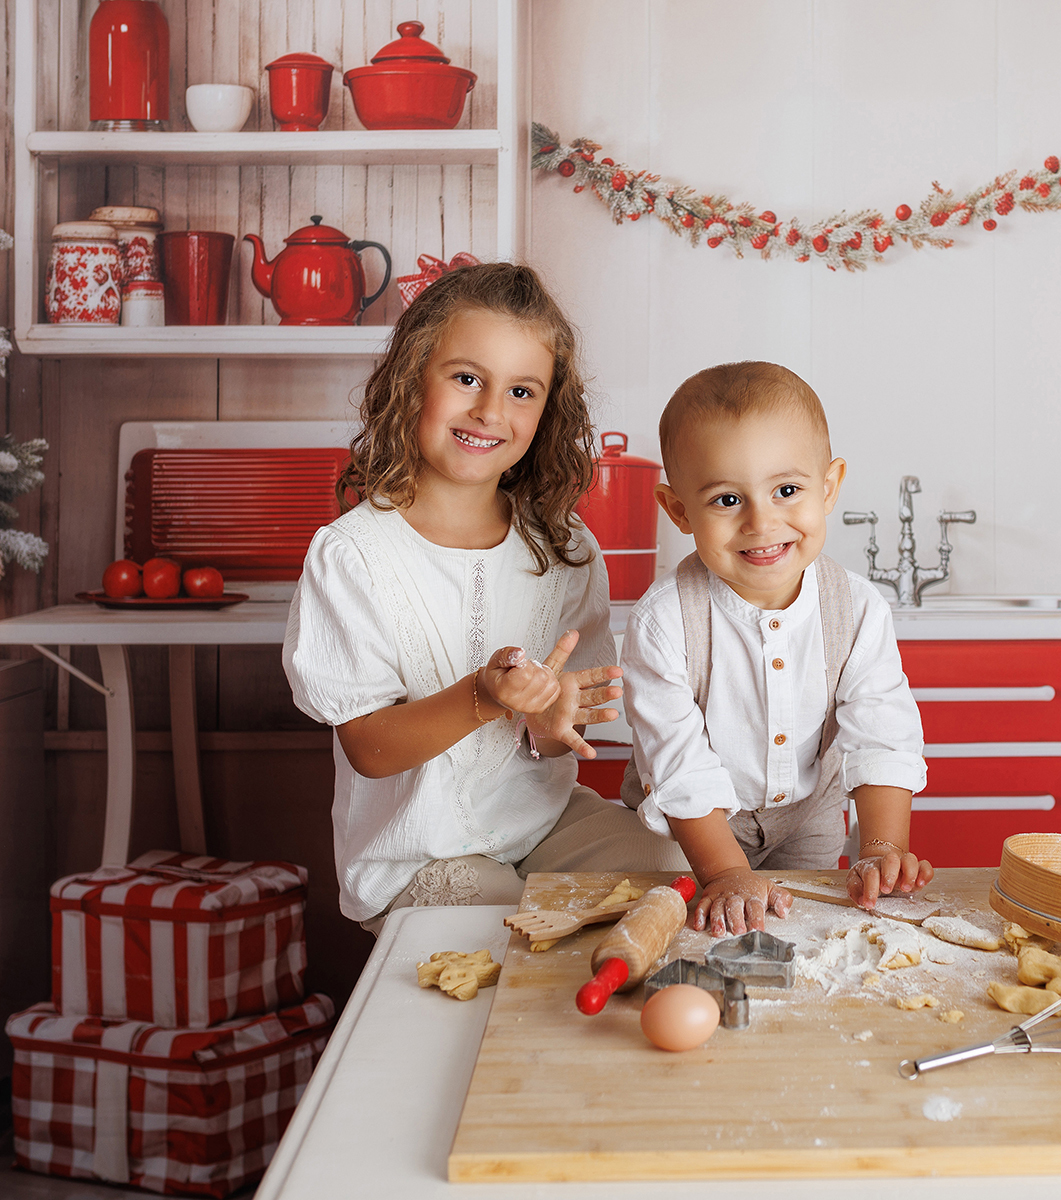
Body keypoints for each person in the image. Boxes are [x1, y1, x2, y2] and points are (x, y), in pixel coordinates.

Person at [283, 262, 688, 931]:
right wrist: (484, 696)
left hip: (542, 827)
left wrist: (554, 723)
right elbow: (368, 749)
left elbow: (559, 737)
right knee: (501, 926)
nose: (490, 411)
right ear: (413, 379)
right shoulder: (354, 555)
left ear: (548, 410)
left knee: (670, 871)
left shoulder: (565, 548)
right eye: (467, 378)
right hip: (417, 855)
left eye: (522, 391)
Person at [619, 361, 933, 937]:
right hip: (692, 829)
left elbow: (882, 728)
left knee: (799, 936)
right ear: (679, 510)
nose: (762, 523)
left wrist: (884, 845)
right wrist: (723, 872)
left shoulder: (858, 608)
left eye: (786, 491)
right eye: (726, 501)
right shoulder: (663, 622)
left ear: (830, 486)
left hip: (807, 819)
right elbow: (678, 764)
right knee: (698, 937)